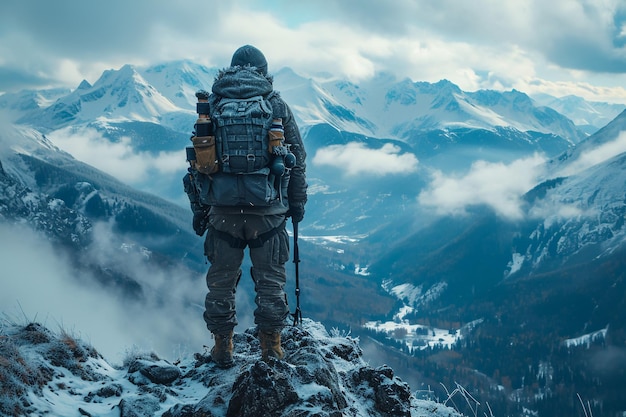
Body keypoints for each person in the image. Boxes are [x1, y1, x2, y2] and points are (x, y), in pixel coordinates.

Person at [184, 45, 307, 368]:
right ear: (263, 71)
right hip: (268, 214)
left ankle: (223, 347)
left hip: (222, 212)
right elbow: (299, 157)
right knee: (271, 282)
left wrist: (200, 210)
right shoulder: (275, 104)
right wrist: (296, 204)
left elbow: (197, 164)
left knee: (221, 282)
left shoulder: (211, 105)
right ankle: (272, 347)